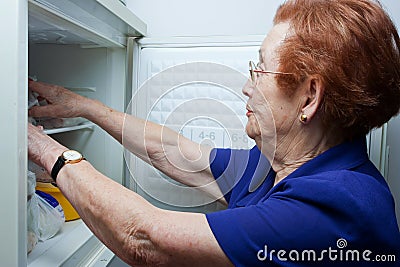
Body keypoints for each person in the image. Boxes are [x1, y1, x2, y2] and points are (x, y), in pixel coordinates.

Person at [28, 0, 400, 266]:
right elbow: (176, 151)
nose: (247, 86)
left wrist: (45, 149)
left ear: (309, 97)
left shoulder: (337, 208)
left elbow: (145, 240)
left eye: (261, 70)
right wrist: (84, 106)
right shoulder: (276, 167)